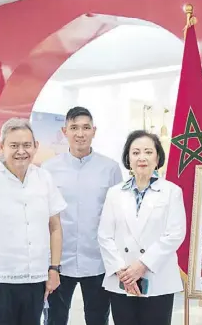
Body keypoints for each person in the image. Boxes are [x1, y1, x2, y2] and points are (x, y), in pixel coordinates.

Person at [0, 118, 67, 325]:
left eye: (27, 145)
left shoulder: (43, 177)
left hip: (36, 279)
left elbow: (55, 227)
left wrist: (54, 269)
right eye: (14, 145)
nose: (21, 151)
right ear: (1, 147)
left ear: (36, 147)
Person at [42, 107, 123, 325]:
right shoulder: (48, 169)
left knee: (98, 319)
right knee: (55, 319)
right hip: (59, 262)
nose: (80, 133)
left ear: (94, 131)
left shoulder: (110, 168)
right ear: (64, 131)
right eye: (74, 128)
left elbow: (119, 214)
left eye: (86, 127)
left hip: (98, 261)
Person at [97, 129, 186, 325]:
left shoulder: (171, 192)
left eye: (148, 151)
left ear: (157, 157)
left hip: (157, 277)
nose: (142, 157)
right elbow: (104, 236)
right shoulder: (114, 193)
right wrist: (124, 272)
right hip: (123, 280)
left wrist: (142, 265)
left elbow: (175, 234)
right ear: (128, 158)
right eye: (135, 152)